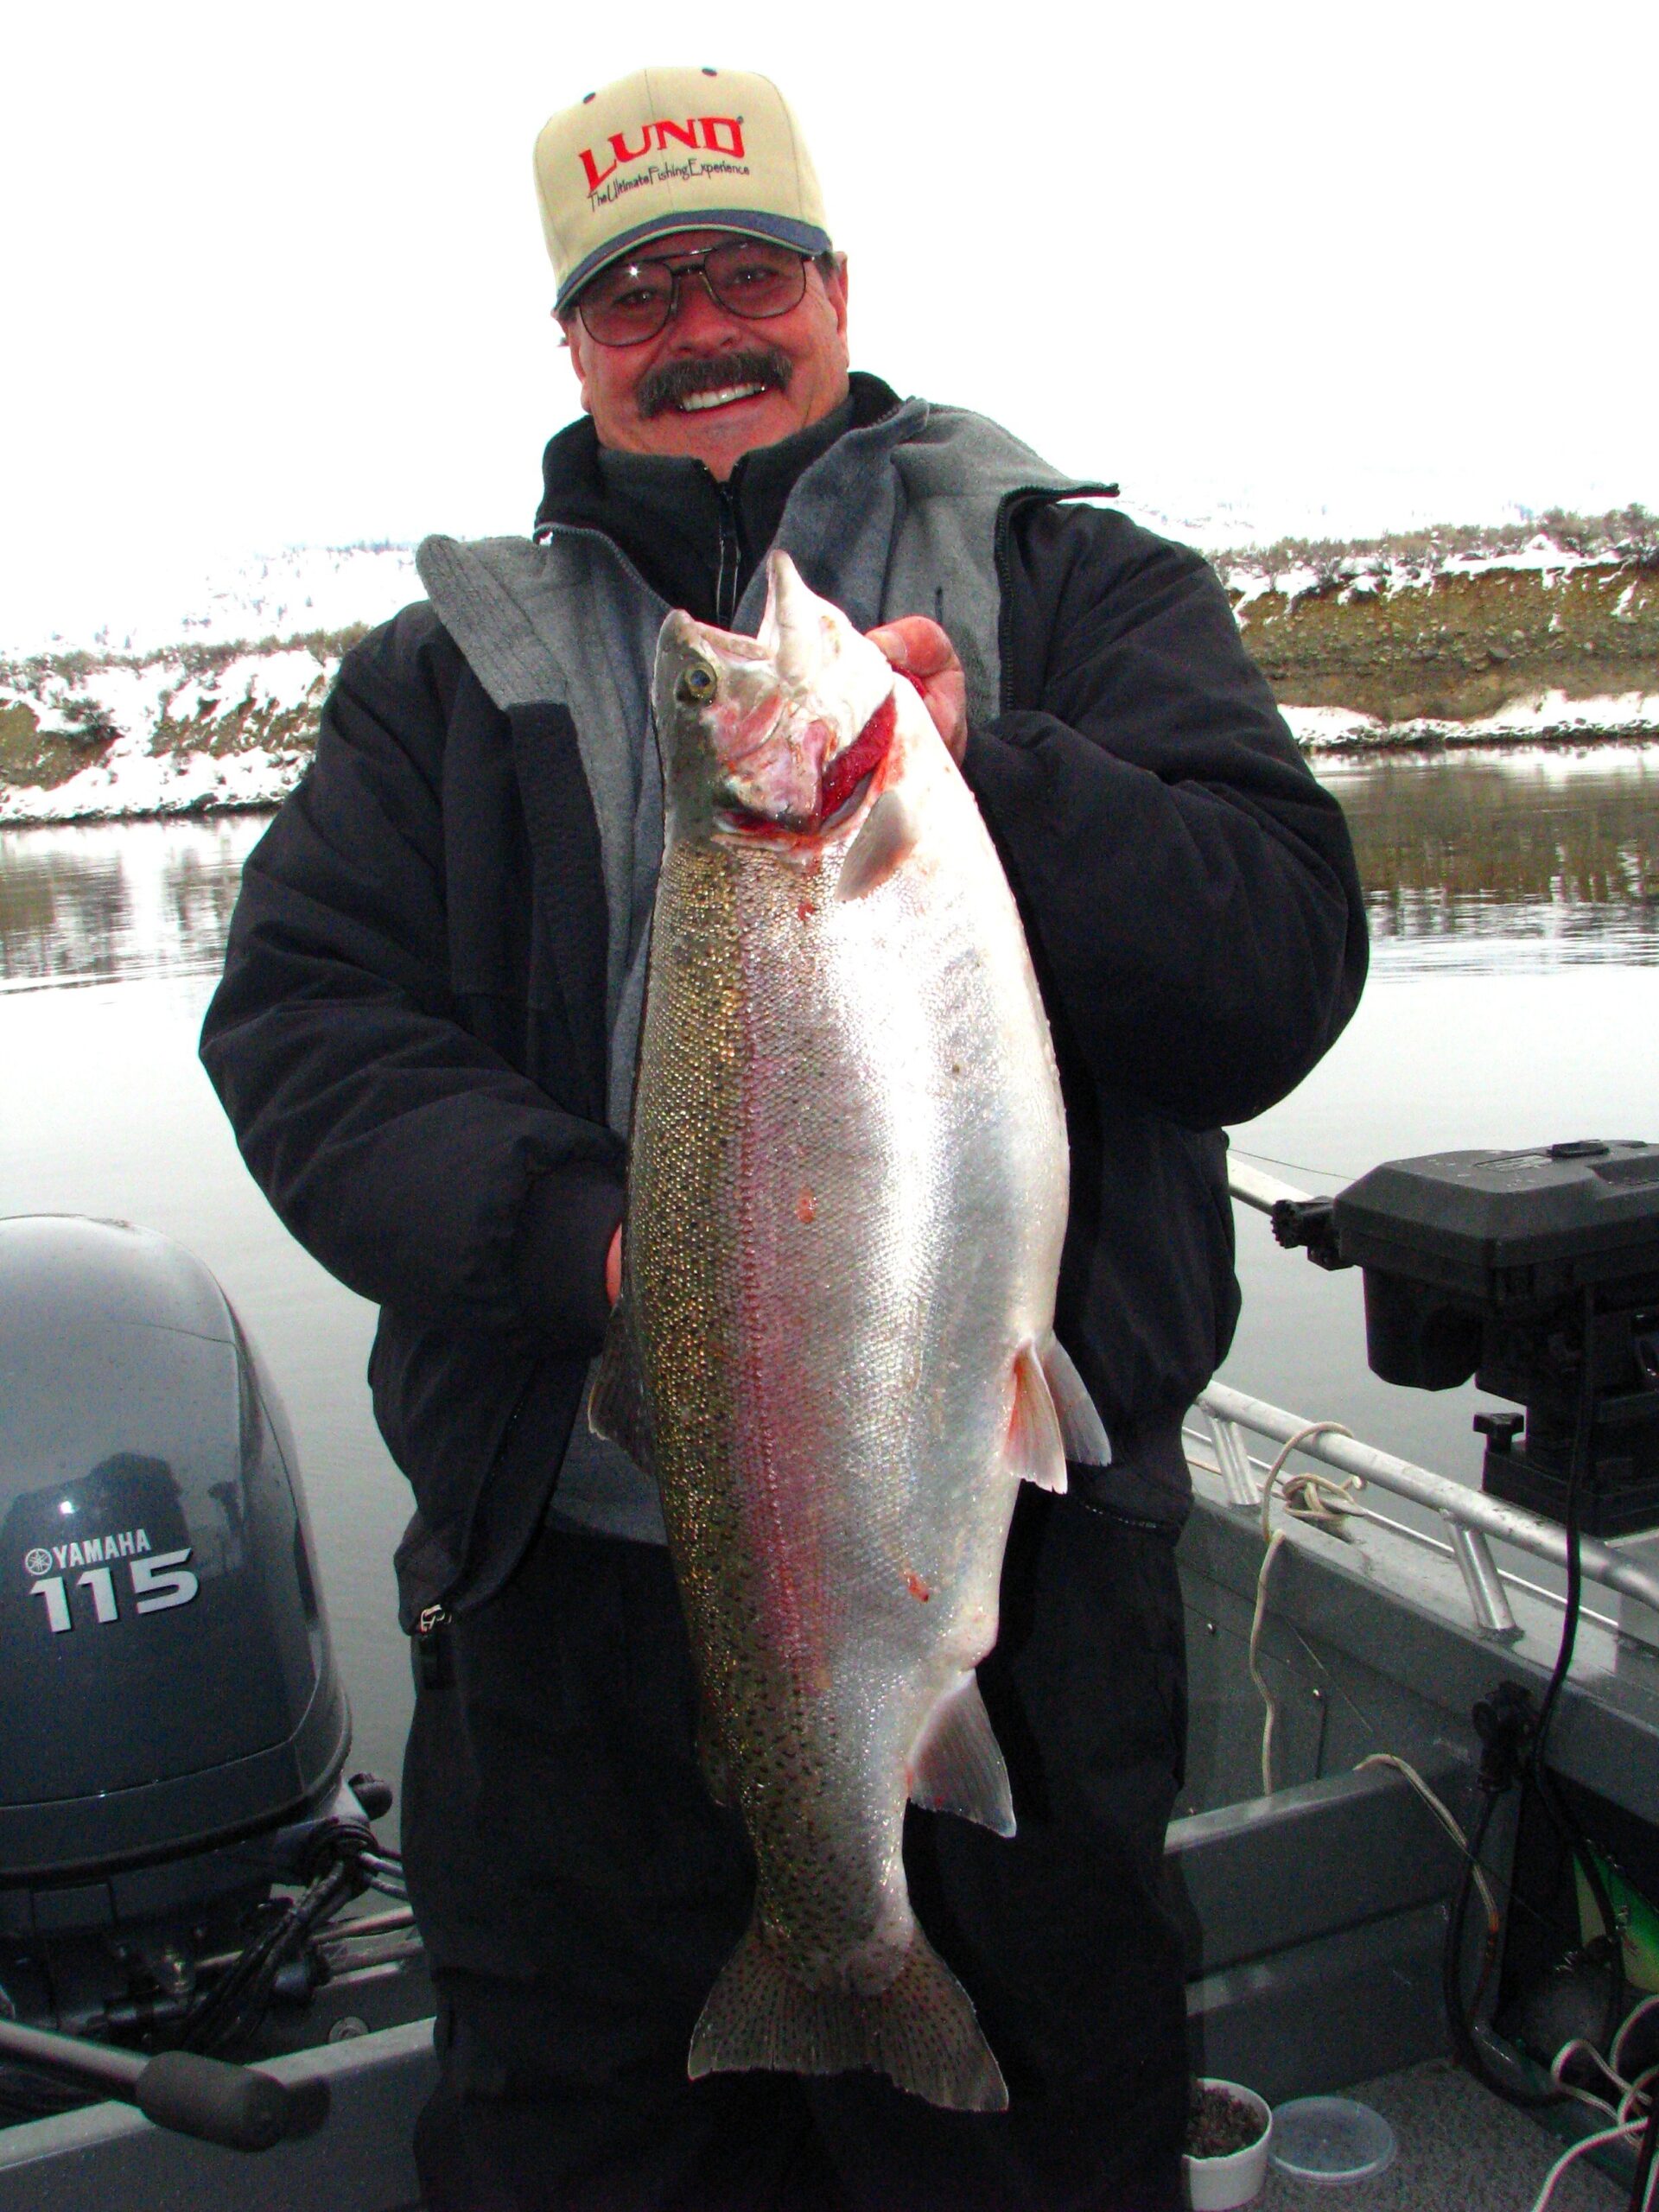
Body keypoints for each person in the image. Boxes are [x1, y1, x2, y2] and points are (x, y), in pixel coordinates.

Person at [200, 64, 1368, 2212]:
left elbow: (1277, 966)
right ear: (573, 342)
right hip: (563, 1630)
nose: (698, 327)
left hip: (1008, 1576)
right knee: (580, 2159)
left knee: (1029, 2156)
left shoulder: (1075, 581)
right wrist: (607, 1245)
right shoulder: (437, 676)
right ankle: (822, 1953)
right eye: (635, 291)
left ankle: (868, 1947)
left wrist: (996, 774)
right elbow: (299, 1035)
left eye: (746, 269)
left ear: (838, 287)